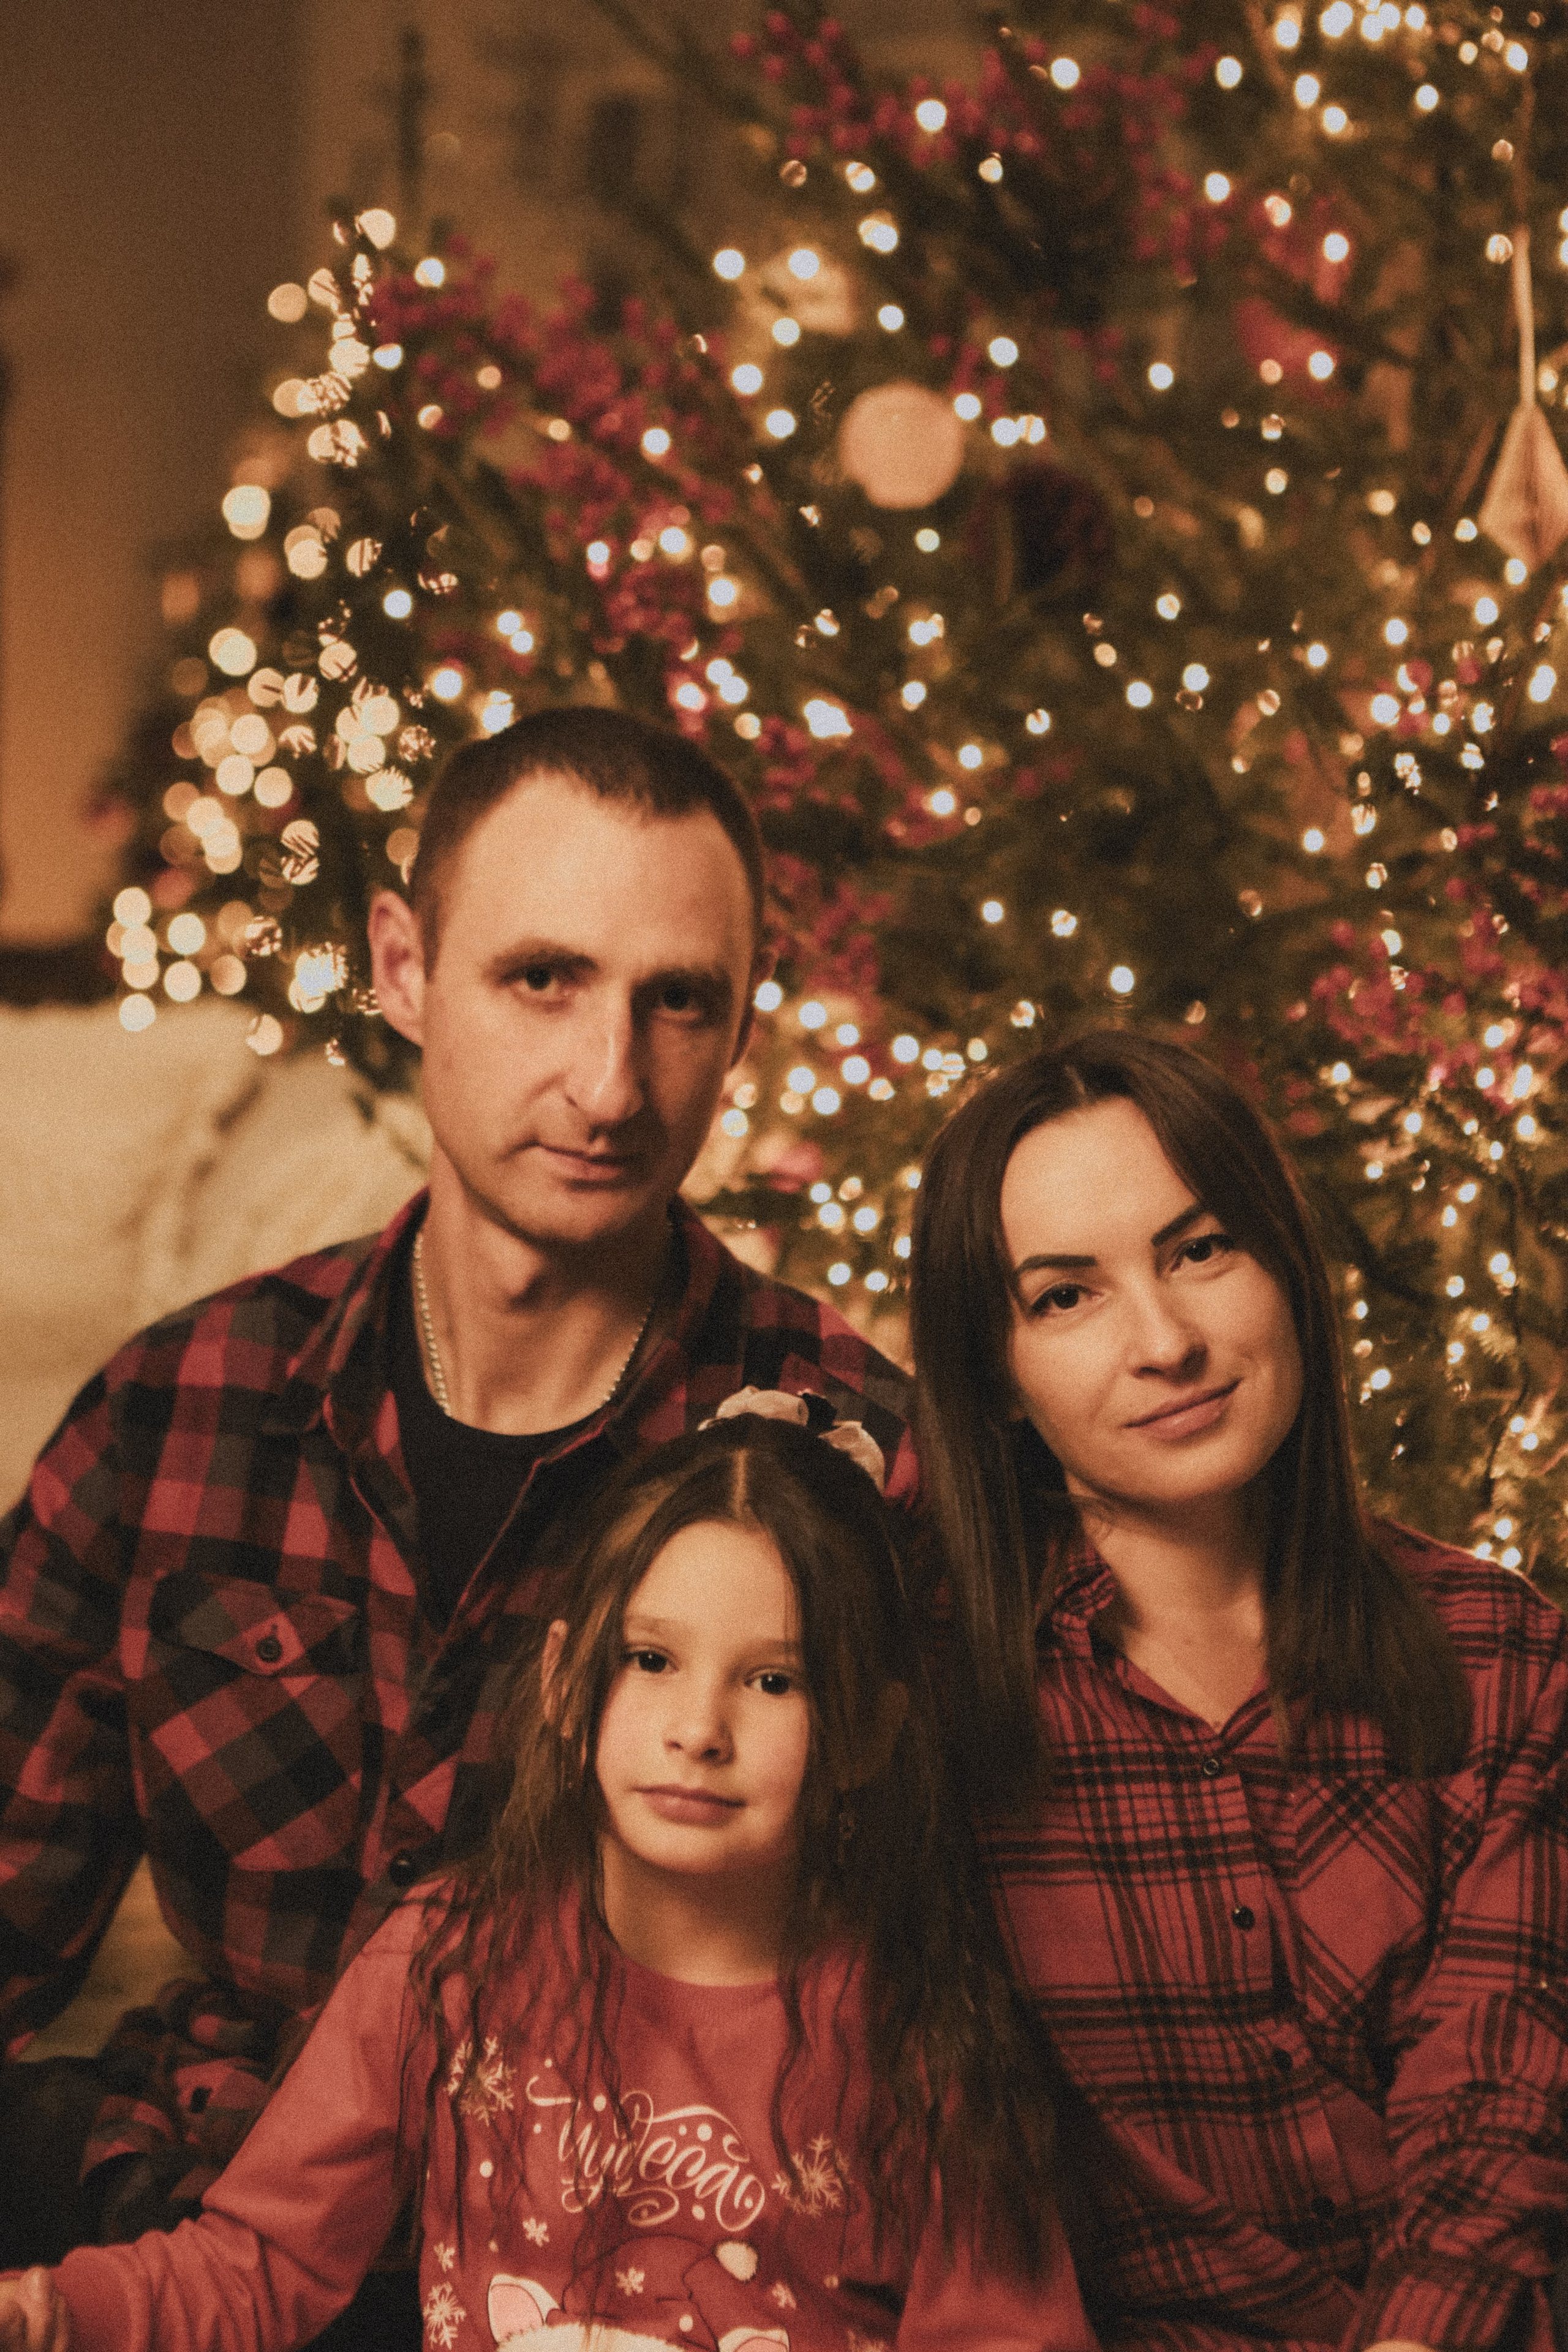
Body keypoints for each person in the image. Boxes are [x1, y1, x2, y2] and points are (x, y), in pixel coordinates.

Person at [0, 710, 914, 2312]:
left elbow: (943, 2007)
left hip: (615, 2251)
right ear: (407, 968)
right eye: (542, 978)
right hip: (196, 2186)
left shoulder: (850, 1468)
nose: (610, 1081)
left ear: (743, 1025)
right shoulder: (177, 1409)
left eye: (677, 1002)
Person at [0, 1412, 1088, 2352]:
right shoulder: (446, 1955)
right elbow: (263, 2264)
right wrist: (50, 2312)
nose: (699, 1730)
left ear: (866, 1734)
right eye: (650, 1660)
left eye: (773, 1680)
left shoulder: (921, 2031)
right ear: (570, 1683)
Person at [908, 1028, 1568, 2352]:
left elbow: (1494, 2106)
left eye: (1198, 1249)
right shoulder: (927, 1706)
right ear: (995, 1374)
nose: (1164, 1341)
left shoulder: (1497, 1651)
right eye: (1063, 1296)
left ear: (1281, 1264)